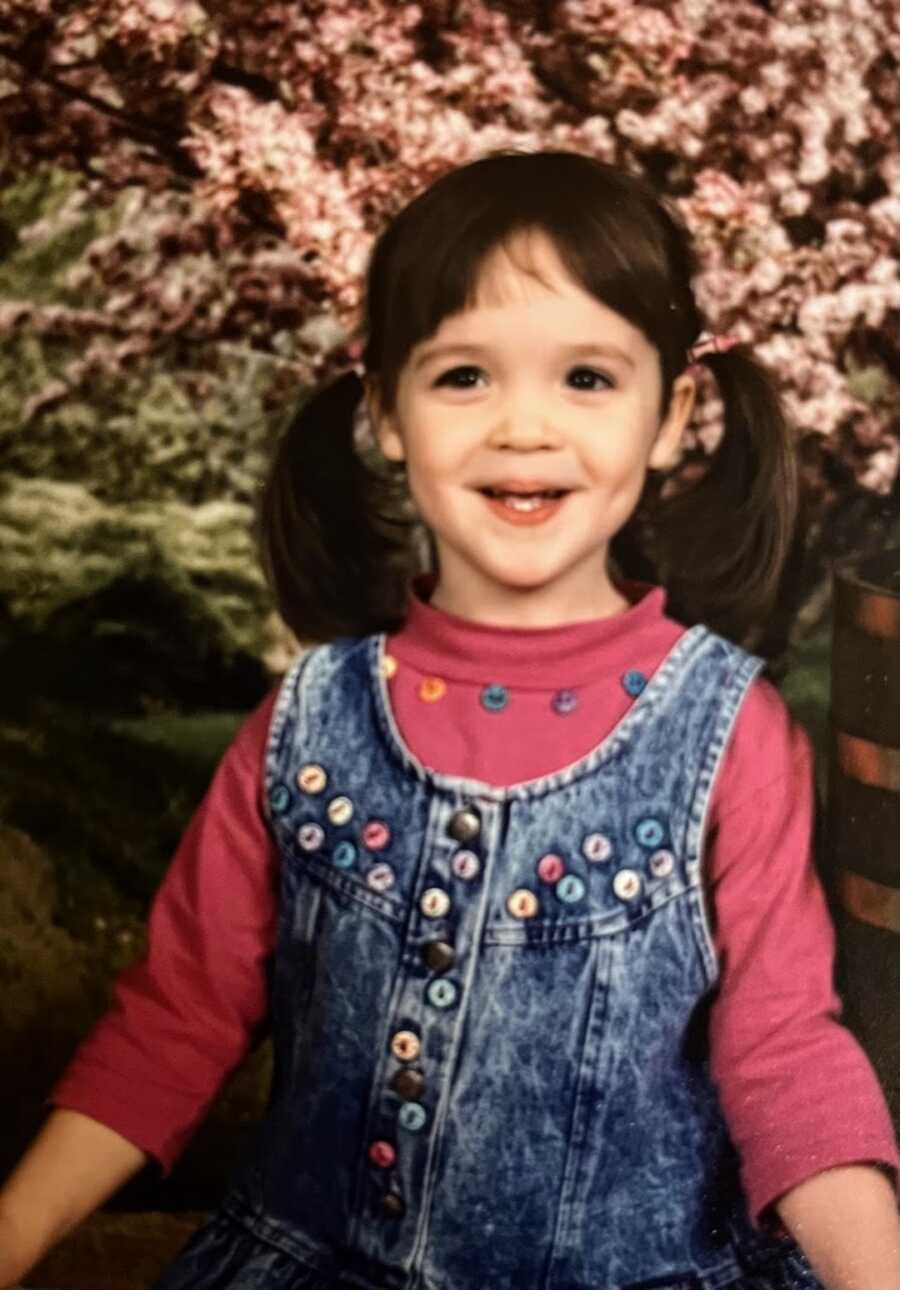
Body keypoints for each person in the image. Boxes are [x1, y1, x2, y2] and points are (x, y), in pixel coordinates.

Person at [1, 148, 898, 1290]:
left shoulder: (735, 737)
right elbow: (172, 1024)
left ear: (672, 417)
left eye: (587, 377)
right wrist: (14, 1233)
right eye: (464, 376)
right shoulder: (306, 725)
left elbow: (785, 1060)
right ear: (384, 409)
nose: (524, 427)